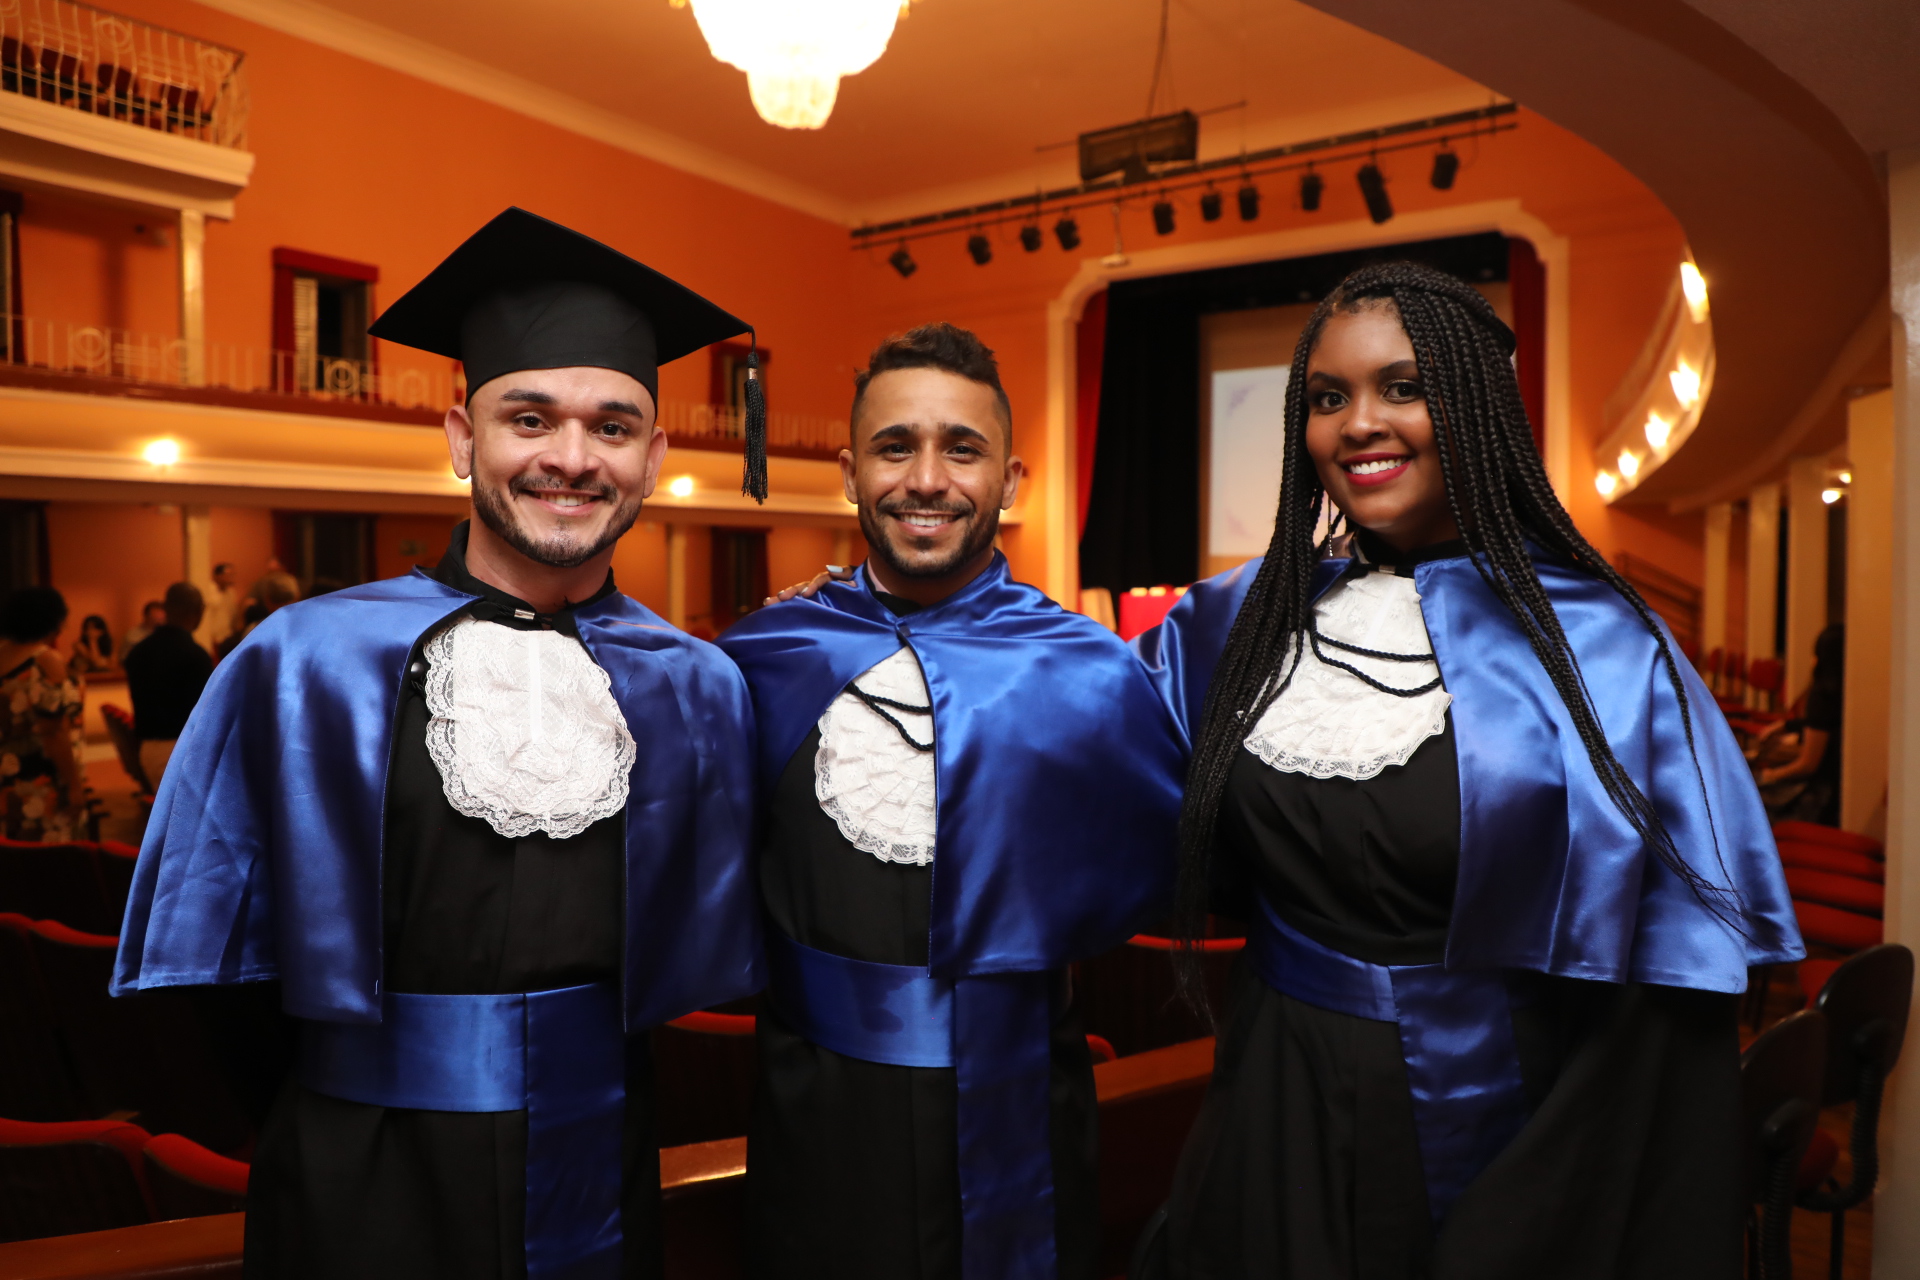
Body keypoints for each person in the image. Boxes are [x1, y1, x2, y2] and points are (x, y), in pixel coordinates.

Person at [114, 208, 766, 1280]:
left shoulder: (698, 685)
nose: (571, 457)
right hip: (359, 1177)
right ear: (463, 437)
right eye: (529, 418)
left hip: (599, 1166)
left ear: (654, 456)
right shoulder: (305, 662)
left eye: (611, 427)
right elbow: (212, 983)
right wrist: (342, 1121)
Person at [1130, 262, 1802, 1279]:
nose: (1360, 423)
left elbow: (1659, 1008)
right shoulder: (1232, 622)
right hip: (1271, 1104)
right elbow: (1097, 792)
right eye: (1327, 397)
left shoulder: (1607, 650)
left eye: (1403, 387)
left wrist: (1537, 1214)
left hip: (1507, 1126)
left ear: (1478, 409)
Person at [719, 324, 1186, 1280]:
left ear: (1010, 481)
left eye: (961, 450)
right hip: (816, 1113)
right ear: (850, 473)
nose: (926, 480)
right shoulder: (763, 658)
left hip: (1021, 1106)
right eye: (895, 447)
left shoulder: (1090, 671)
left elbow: (1165, 862)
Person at [0, 587, 88, 842]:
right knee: (50, 856)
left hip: (5, 774)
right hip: (40, 778)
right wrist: (74, 786)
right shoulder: (45, 661)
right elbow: (54, 733)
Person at [123, 582, 213, 792]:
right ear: (199, 612)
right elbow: (206, 714)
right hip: (183, 749)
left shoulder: (138, 652)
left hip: (148, 750)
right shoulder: (196, 656)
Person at [1758, 623, 1843, 824]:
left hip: (1819, 798)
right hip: (1838, 792)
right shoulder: (1847, 694)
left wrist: (1770, 775)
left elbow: (1807, 765)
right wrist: (1786, 726)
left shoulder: (1823, 695)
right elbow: (1821, 722)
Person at [195, 562, 240, 652]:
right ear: (218, 576)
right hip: (211, 639)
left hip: (227, 638)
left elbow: (233, 615)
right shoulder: (207, 590)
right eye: (228, 575)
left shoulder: (231, 593)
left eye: (232, 575)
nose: (230, 578)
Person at [67, 613, 115, 681]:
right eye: (88, 628)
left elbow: (112, 665)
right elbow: (95, 661)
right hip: (79, 680)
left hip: (99, 680)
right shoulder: (79, 645)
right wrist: (92, 640)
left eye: (95, 628)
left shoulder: (107, 644)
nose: (91, 631)